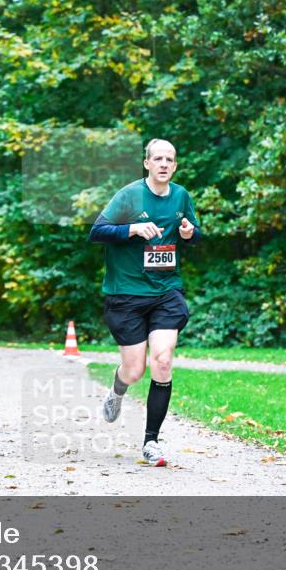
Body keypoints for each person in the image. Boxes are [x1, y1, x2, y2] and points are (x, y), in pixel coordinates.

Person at [88, 138, 201, 467]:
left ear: (175, 165)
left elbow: (195, 233)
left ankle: (151, 441)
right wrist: (134, 229)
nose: (164, 164)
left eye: (170, 159)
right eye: (158, 159)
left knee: (163, 361)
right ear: (147, 163)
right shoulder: (129, 195)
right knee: (135, 370)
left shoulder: (181, 196)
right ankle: (117, 390)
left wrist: (189, 233)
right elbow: (98, 231)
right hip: (126, 293)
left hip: (166, 291)